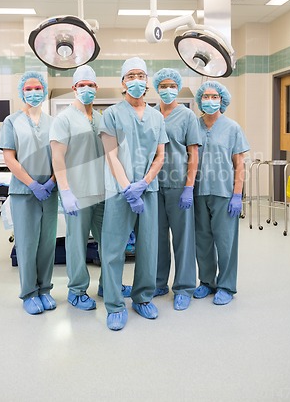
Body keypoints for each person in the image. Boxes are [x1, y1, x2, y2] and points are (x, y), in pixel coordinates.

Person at [98, 57, 168, 331]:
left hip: (148, 191)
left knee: (148, 248)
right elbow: (110, 154)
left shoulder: (156, 116)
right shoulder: (112, 114)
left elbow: (160, 156)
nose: (136, 81)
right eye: (131, 76)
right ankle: (115, 305)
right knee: (114, 250)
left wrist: (144, 183)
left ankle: (142, 297)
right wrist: (127, 186)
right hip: (119, 192)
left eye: (141, 75)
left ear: (147, 81)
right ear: (123, 83)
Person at [50, 65, 113, 312]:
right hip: (77, 193)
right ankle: (77, 291)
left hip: (102, 192)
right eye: (81, 85)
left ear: (96, 88)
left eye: (91, 85)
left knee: (108, 241)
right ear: (74, 88)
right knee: (76, 244)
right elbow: (57, 157)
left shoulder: (99, 118)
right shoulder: (64, 118)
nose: (86, 89)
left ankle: (108, 285)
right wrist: (65, 192)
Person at [0, 71, 58, 315]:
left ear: (44, 91)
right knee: (27, 244)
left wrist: (52, 182)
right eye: (29, 89)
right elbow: (9, 158)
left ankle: (45, 289)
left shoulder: (53, 123)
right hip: (25, 192)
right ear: (22, 92)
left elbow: (60, 157)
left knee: (47, 244)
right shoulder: (11, 121)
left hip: (50, 192)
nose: (34, 92)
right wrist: (33, 184)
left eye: (37, 88)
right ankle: (29, 293)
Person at [193, 81, 250, 305]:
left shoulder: (232, 128)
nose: (209, 101)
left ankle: (226, 285)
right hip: (199, 192)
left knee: (225, 242)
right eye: (205, 97)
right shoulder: (194, 125)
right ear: (200, 101)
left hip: (224, 193)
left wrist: (238, 194)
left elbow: (240, 164)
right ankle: (207, 282)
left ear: (222, 100)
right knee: (203, 240)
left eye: (214, 97)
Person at [152, 68, 201, 311]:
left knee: (183, 238)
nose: (168, 89)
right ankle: (159, 283)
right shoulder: (150, 114)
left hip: (178, 184)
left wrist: (189, 187)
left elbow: (194, 154)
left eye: (172, 85)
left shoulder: (187, 116)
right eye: (163, 85)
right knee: (157, 238)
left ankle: (183, 287)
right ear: (157, 87)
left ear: (178, 88)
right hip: (153, 185)